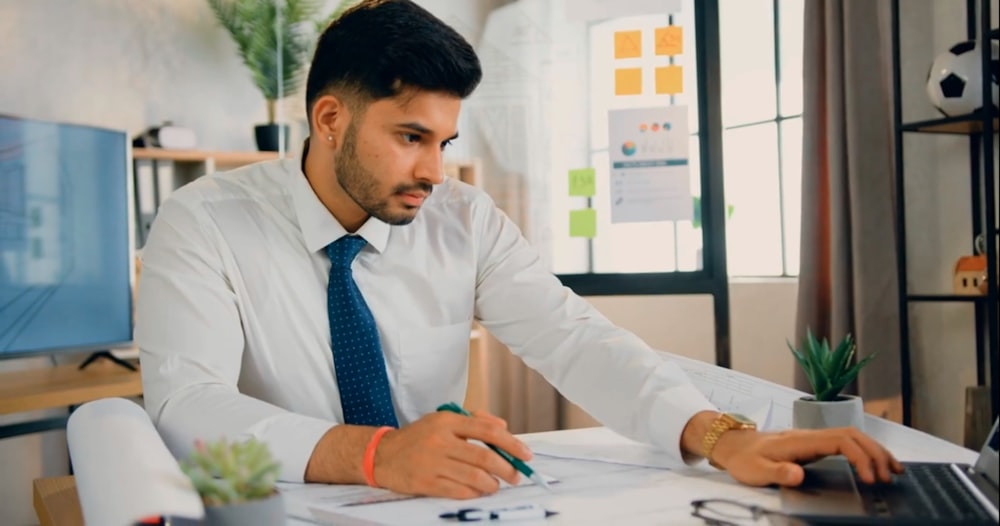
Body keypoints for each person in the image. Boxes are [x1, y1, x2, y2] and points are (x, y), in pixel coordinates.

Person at [137, 0, 902, 500]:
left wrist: (717, 435)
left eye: (444, 142)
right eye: (410, 138)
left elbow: (573, 339)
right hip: (275, 511)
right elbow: (185, 405)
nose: (434, 172)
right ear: (330, 117)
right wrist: (376, 455)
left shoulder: (462, 218)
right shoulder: (202, 224)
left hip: (434, 510)